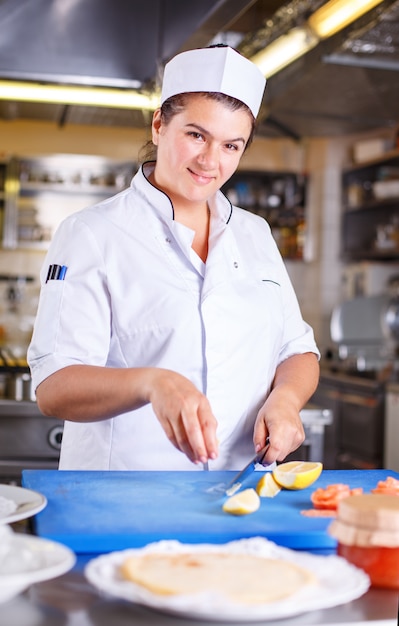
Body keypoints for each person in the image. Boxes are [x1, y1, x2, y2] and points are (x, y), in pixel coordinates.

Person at [27, 45, 320, 471]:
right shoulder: (91, 233)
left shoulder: (254, 233)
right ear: (160, 124)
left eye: (231, 146)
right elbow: (53, 388)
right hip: (126, 499)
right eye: (196, 135)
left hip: (238, 492)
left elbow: (297, 350)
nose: (210, 161)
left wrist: (287, 400)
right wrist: (151, 382)